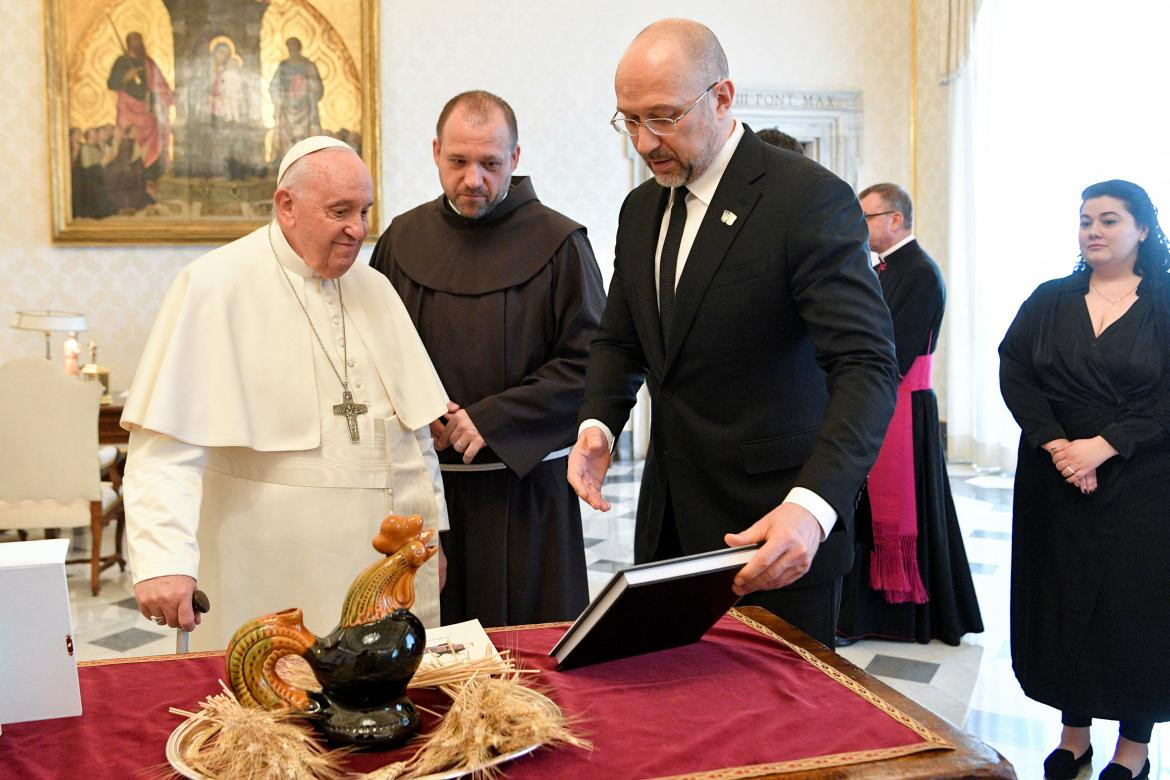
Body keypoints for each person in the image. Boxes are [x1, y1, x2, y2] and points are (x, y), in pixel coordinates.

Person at [569, 19, 899, 649]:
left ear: (722, 97)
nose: (644, 141)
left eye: (663, 117)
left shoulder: (805, 198)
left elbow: (864, 365)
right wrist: (598, 425)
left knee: (783, 740)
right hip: (667, 527)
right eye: (629, 120)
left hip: (773, 529)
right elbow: (620, 338)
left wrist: (813, 507)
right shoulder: (640, 210)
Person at [121, 137, 449, 651]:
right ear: (286, 206)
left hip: (372, 576)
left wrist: (430, 542)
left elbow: (414, 440)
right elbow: (165, 447)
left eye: (364, 211)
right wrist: (163, 560)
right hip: (263, 564)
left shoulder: (376, 289)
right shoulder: (214, 285)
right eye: (339, 211)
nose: (357, 230)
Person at [371, 91, 606, 627]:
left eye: (490, 163)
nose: (473, 179)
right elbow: (372, 355)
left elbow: (593, 362)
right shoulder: (401, 241)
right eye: (458, 162)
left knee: (526, 659)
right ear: (435, 152)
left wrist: (494, 418)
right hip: (426, 493)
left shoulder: (561, 243)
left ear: (515, 160)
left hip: (525, 496)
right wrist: (415, 409)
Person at [999, 180, 1170, 780]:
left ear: (1143, 230)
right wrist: (1060, 448)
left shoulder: (1167, 301)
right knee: (1064, 599)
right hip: (1057, 480)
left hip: (1145, 483)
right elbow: (1016, 371)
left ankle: (1134, 746)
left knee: (1134, 609)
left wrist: (1105, 446)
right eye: (1085, 221)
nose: (1093, 231)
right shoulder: (1050, 299)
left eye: (1110, 220)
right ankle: (1074, 734)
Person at [836, 183, 983, 646]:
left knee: (903, 513)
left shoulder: (918, 270)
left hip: (902, 405)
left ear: (895, 219)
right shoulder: (882, 268)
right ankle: (864, 614)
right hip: (883, 399)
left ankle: (900, 616)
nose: (861, 228)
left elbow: (893, 350)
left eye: (867, 218)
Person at [106, 32, 174, 198]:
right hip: (128, 110)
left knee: (152, 144)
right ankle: (128, 185)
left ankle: (149, 180)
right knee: (128, 145)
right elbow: (111, 84)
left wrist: (166, 97)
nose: (136, 45)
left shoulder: (148, 63)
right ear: (128, 43)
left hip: (147, 112)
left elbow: (159, 86)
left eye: (139, 42)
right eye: (133, 42)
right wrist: (125, 77)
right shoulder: (122, 62)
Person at [269, 38, 324, 167]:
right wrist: (281, 98)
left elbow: (317, 87)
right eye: (289, 47)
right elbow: (274, 86)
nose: (292, 49)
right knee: (286, 139)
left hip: (305, 109)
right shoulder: (283, 66)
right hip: (287, 109)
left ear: (299, 48)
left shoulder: (308, 65)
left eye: (294, 47)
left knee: (305, 140)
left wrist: (305, 86)